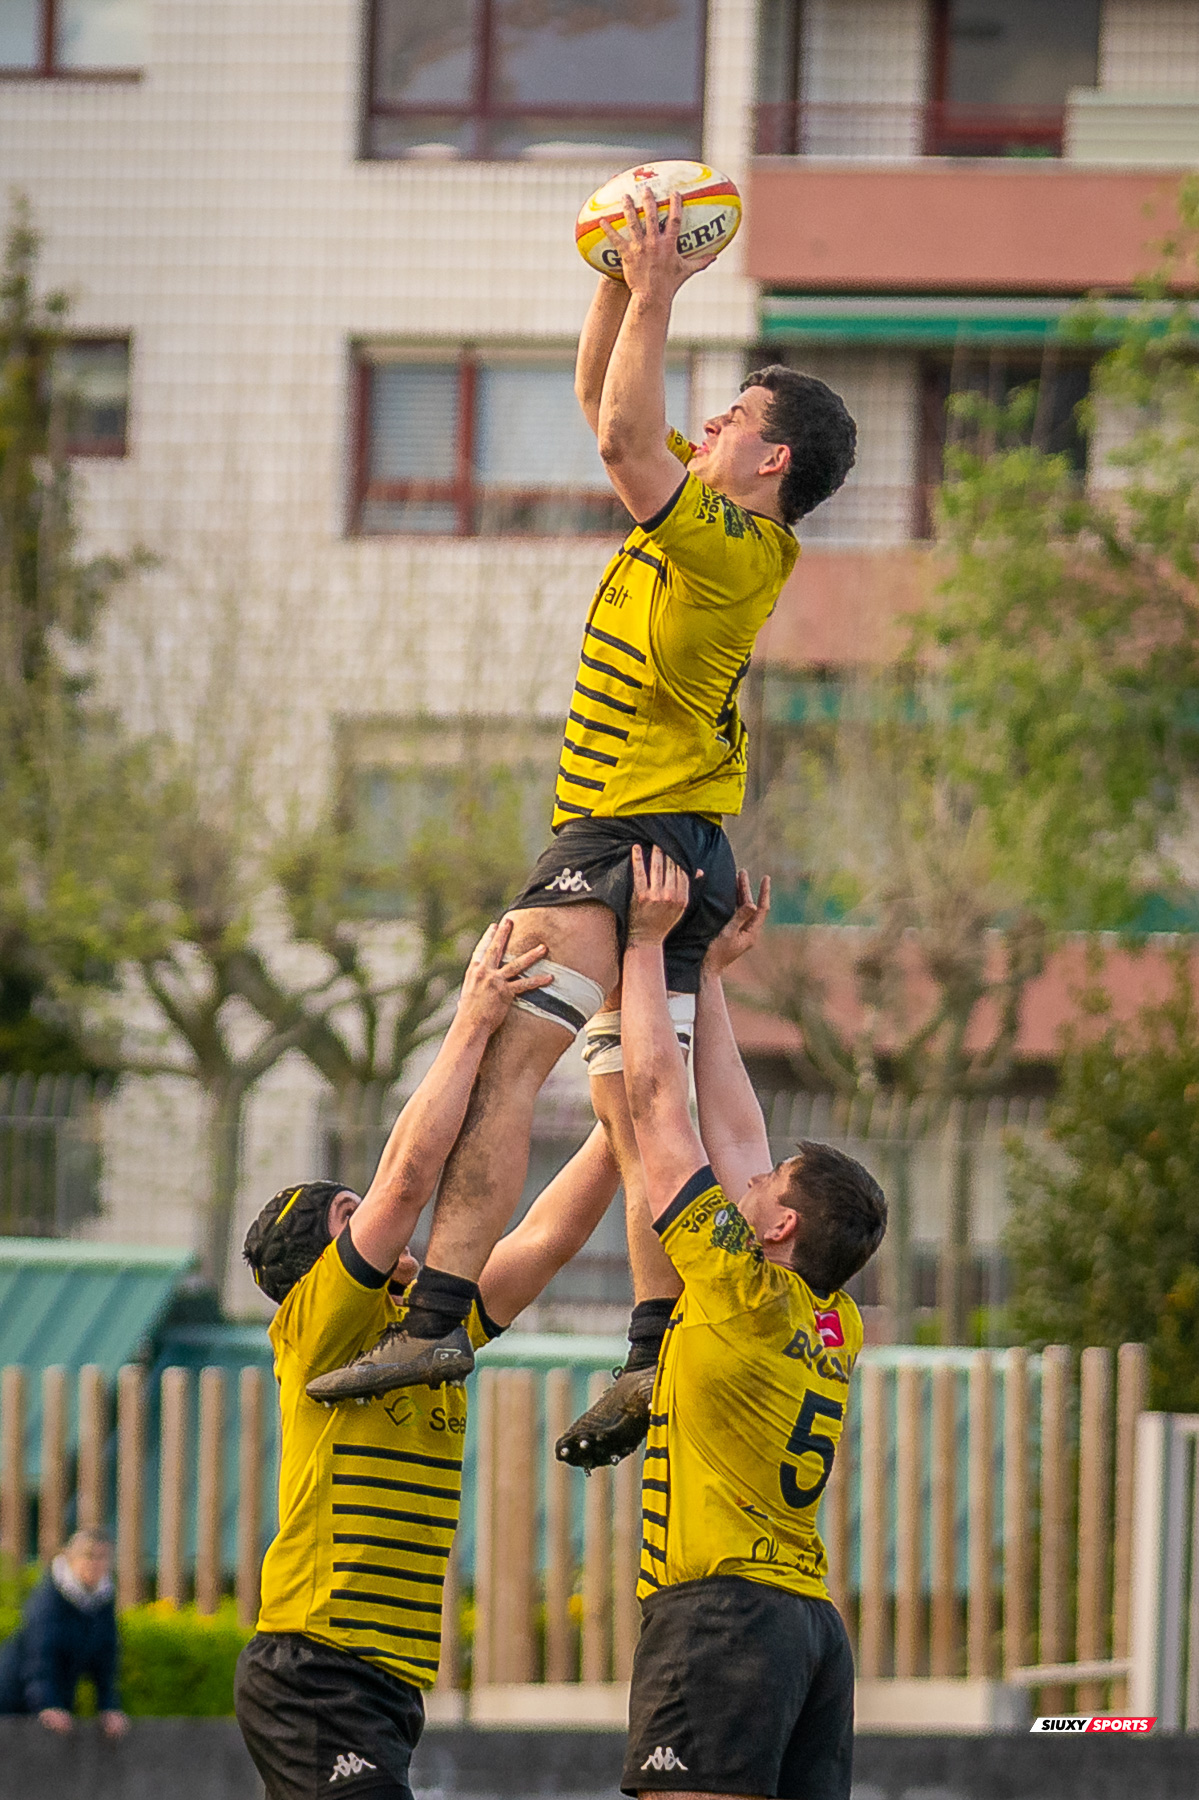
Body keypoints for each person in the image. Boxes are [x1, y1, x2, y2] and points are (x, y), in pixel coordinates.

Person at [312, 184, 857, 1413]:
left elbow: (620, 439)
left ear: (768, 460)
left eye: (730, 417)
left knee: (507, 1067)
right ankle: (650, 1346)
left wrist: (661, 287)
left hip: (620, 848)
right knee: (628, 1109)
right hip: (676, 853)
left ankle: (439, 1315)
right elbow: (598, 402)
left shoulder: (728, 542)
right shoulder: (711, 529)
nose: (701, 422)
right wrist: (617, 275)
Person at [234, 920, 624, 1800]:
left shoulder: (426, 1330)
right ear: (320, 1262)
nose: (371, 1209)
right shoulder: (317, 1323)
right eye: (348, 1211)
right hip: (315, 1664)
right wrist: (473, 1019)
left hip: (389, 1680)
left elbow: (547, 1240)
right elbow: (411, 1175)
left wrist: (622, 1128)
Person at [618, 845, 886, 1800]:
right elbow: (738, 1140)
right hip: (807, 1628)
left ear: (777, 1228)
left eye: (765, 1190)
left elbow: (659, 1105)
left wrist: (648, 950)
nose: (751, 1180)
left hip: (723, 1620)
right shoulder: (831, 1318)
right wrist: (710, 978)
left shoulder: (736, 1287)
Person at [0, 1527, 127, 1738]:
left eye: (102, 1557)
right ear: (70, 1558)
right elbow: (40, 1657)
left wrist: (109, 1707)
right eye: (88, 1556)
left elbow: (106, 1659)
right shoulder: (49, 1600)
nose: (95, 1564)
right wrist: (47, 1704)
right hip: (11, 1699)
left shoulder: (102, 1601)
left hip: (56, 1705)